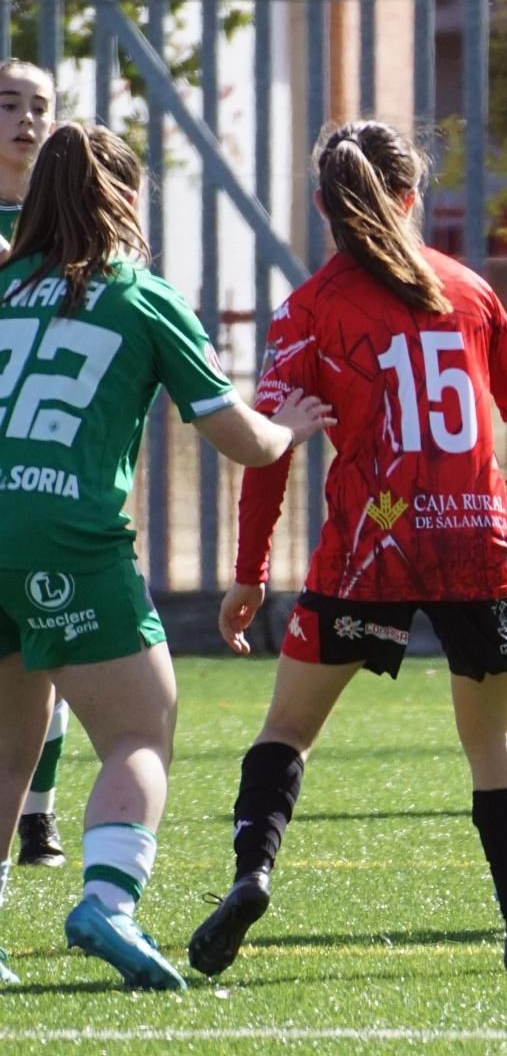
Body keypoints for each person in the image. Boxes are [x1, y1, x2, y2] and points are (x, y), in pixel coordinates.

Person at [186, 120, 507, 976]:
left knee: (288, 726)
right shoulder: (469, 290)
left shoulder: (312, 306)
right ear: (413, 196)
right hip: (475, 544)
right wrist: (504, 522)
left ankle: (252, 875)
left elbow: (268, 446)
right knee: (493, 742)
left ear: (324, 207)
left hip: (373, 545)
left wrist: (250, 572)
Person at [0, 123, 332, 989]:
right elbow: (242, 441)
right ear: (126, 200)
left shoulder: (0, 285)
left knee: (6, 742)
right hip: (64, 533)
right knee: (140, 726)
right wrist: (290, 425)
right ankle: (108, 900)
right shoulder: (140, 296)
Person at [0, 58, 72, 871]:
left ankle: (38, 818)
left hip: (44, 469)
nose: (25, 118)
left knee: (42, 646)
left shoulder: (65, 231)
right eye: (8, 103)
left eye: (40, 106)